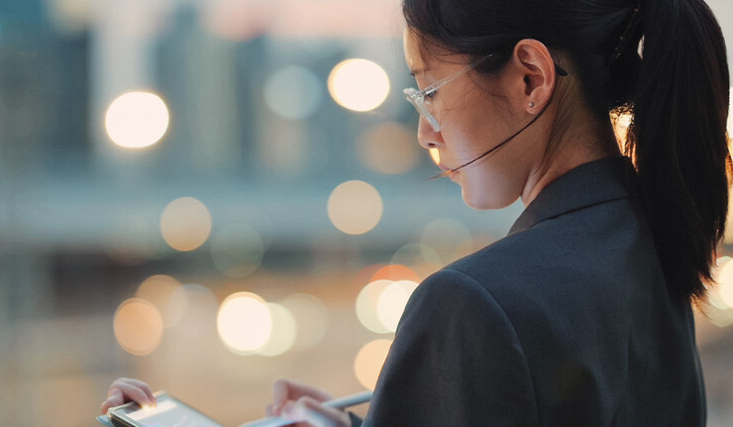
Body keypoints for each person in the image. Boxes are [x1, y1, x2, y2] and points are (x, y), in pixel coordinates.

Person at [101, 0, 731, 425]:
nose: (426, 132)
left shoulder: (473, 303)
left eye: (429, 90)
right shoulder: (649, 247)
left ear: (531, 79)